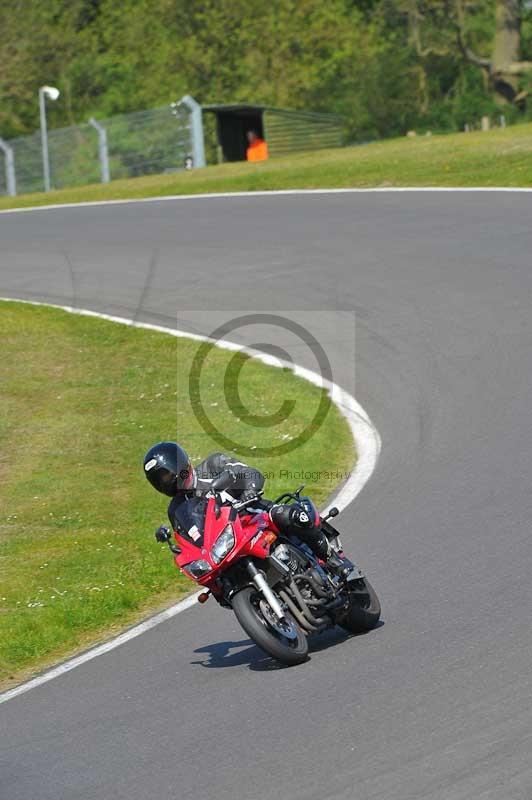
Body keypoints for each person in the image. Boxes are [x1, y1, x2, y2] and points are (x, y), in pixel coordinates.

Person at [143, 441, 354, 578]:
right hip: (229, 544)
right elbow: (190, 539)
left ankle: (333, 561)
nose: (169, 481)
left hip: (253, 515)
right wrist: (182, 551)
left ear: (182, 464)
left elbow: (250, 473)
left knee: (286, 515)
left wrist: (249, 491)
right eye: (162, 479)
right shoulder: (176, 510)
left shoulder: (213, 465)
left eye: (170, 474)